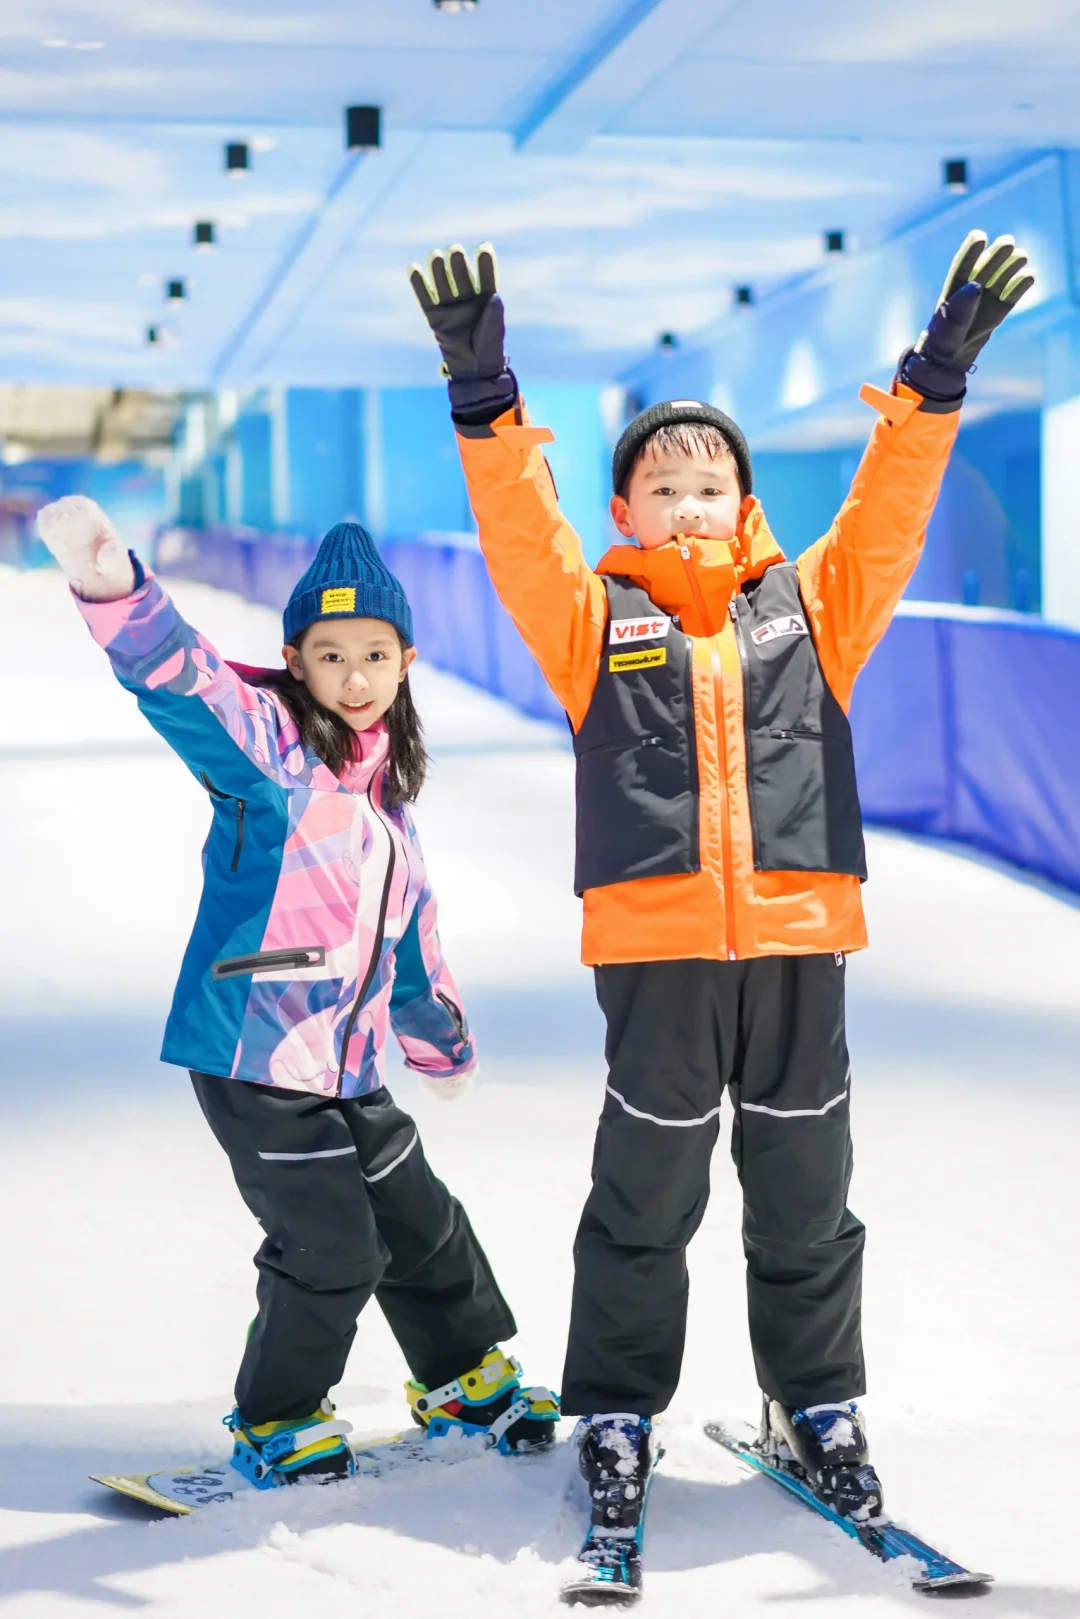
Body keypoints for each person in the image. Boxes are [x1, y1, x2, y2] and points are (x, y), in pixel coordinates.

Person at [410, 234, 1033, 1575]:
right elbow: (521, 532)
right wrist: (485, 401)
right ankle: (618, 1414)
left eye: (712, 482)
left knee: (809, 1195)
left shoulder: (813, 605)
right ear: (627, 508)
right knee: (646, 1197)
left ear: (745, 499)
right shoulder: (591, 620)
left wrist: (934, 380)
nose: (689, 502)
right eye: (663, 484)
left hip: (803, 943)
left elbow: (888, 513)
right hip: (660, 954)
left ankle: (818, 1401)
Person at [35, 499, 559, 1487]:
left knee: (420, 1216)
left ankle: (459, 1373)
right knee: (332, 1243)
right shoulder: (268, 755)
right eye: (330, 655)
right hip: (255, 1050)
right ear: (297, 659)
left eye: (373, 653)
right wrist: (116, 585)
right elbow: (182, 681)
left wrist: (437, 1040)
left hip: (346, 1060)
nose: (353, 676)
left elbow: (408, 943)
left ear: (404, 661)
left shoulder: (387, 799)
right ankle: (278, 1414)